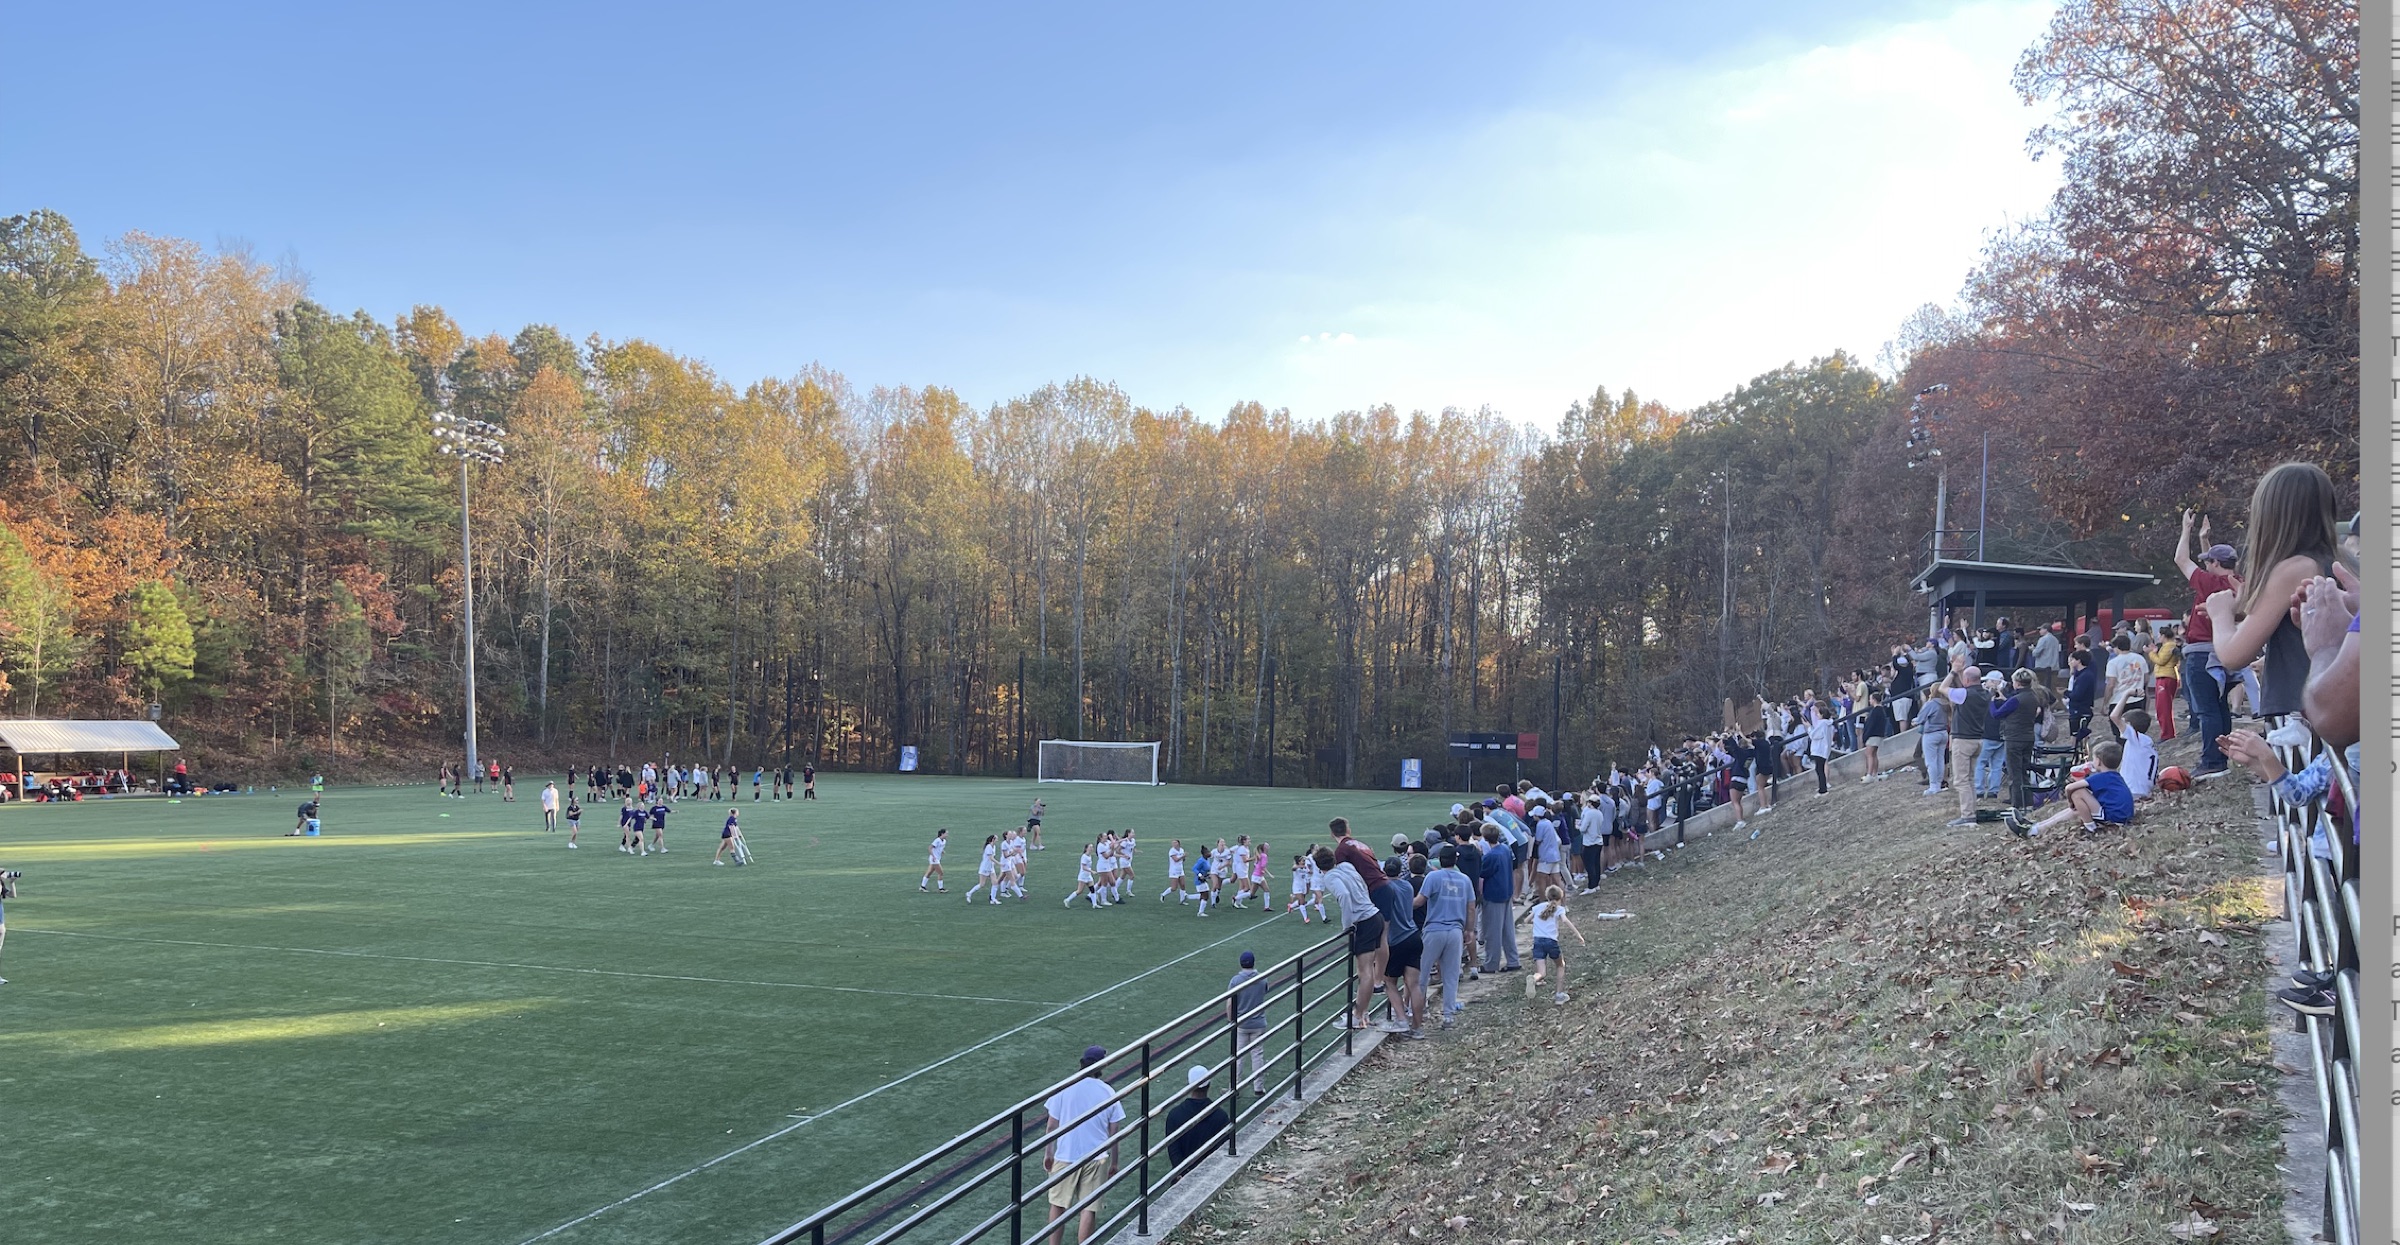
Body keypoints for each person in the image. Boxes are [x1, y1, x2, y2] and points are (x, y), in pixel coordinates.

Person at [2204, 462, 2349, 729]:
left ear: (2269, 514)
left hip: (2304, 715)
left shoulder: (2294, 568)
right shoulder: (2344, 560)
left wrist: (2220, 614)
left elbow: (2234, 655)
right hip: (2341, 709)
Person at [2174, 509, 2240, 776]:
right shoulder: (2238, 582)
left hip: (2202, 652)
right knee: (2221, 706)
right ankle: (2223, 757)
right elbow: (2213, 566)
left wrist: (2186, 529)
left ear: (2213, 563)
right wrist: (2205, 540)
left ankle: (2211, 762)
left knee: (2207, 710)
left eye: (2207, 561)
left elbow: (2180, 558)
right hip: (2228, 650)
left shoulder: (2208, 582)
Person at [1041, 1046, 1124, 1245]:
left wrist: (1048, 1153)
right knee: (1089, 1208)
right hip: (1096, 1157)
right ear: (1101, 1065)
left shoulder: (1065, 1087)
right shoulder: (1107, 1091)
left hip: (1065, 1155)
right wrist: (1114, 1162)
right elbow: (1114, 1133)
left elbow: (1051, 1126)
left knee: (1057, 1205)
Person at [1314, 846, 1384, 1031]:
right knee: (1367, 969)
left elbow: (1344, 895)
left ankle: (1358, 1016)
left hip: (1365, 921)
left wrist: (1347, 925)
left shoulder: (1329, 877)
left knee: (1365, 971)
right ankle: (1363, 1012)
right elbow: (1361, 883)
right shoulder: (1346, 866)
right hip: (1374, 915)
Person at [2009, 740, 2135, 837]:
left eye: (2094, 758)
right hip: (2120, 814)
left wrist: (2070, 801)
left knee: (2077, 793)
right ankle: (2034, 828)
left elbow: (2070, 788)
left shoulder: (2101, 777)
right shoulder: (2114, 776)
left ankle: (2091, 828)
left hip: (2113, 816)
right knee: (2075, 810)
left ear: (2099, 761)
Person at [1416, 845, 1474, 1027]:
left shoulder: (1433, 877)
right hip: (1455, 930)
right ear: (1455, 860)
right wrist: (1469, 930)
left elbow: (1420, 901)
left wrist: (1401, 907)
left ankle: (1418, 1011)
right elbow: (1471, 907)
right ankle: (1448, 1015)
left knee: (1422, 973)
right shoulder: (1464, 880)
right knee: (1450, 975)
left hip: (1434, 929)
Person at [1516, 885, 1588, 1005]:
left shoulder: (1538, 907)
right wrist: (1578, 935)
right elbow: (1565, 921)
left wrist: (1537, 922)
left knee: (1542, 973)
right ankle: (1559, 995)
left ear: (1547, 896)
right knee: (1560, 965)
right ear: (1561, 897)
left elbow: (1526, 920)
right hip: (1551, 942)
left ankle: (1534, 979)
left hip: (1538, 942)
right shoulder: (1559, 909)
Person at [1164, 1065, 1231, 1170]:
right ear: (1209, 1085)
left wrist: (1180, 1173)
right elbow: (1224, 1147)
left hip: (1182, 1175)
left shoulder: (1175, 1114)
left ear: (1189, 1085)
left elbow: (1174, 1151)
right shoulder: (1220, 1116)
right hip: (1212, 1173)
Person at [1944, 667, 1987, 827]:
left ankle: (1967, 816)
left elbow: (1942, 688)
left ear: (1967, 680)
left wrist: (1953, 672)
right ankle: (1971, 812)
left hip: (1963, 740)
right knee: (1969, 779)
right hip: (1978, 739)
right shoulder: (1984, 694)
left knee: (1961, 780)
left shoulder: (1964, 694)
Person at [1226, 950, 1271, 1092]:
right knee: (1257, 1054)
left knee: (1238, 1057)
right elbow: (1264, 991)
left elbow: (1229, 1003)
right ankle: (1259, 1087)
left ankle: (1234, 1087)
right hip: (1258, 1022)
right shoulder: (1262, 978)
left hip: (1242, 1023)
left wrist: (1230, 1020)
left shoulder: (1235, 981)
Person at [2113, 708, 2160, 798]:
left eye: (2123, 722)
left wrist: (2127, 694)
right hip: (2141, 789)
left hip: (2133, 790)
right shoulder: (2144, 742)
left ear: (2129, 725)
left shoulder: (2137, 740)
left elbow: (2114, 716)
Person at [1915, 679, 1950, 798]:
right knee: (1940, 760)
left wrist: (1915, 721)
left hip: (1931, 733)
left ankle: (1933, 786)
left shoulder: (1931, 703)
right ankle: (1939, 784)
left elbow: (1920, 718)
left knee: (1931, 761)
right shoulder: (1946, 703)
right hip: (1943, 732)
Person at [2148, 626, 2181, 742]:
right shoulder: (2170, 646)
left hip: (2165, 678)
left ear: (2163, 636)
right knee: (2163, 707)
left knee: (2163, 707)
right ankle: (2167, 732)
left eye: (2159, 635)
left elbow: (2161, 661)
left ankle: (2167, 734)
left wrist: (2151, 653)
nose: (2158, 637)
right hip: (2167, 677)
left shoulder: (2168, 646)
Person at [966, 834, 1002, 904]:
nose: (997, 840)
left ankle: (993, 899)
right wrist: (999, 863)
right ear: (993, 840)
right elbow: (991, 858)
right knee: (982, 884)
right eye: (996, 839)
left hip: (991, 868)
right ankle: (969, 893)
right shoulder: (988, 847)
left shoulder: (993, 847)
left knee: (995, 883)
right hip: (985, 868)